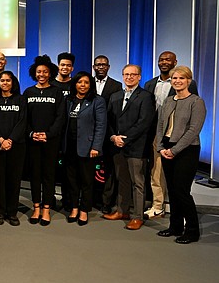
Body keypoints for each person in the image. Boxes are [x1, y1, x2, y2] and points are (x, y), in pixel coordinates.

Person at [144, 51, 199, 219]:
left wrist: (176, 147)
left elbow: (192, 122)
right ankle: (158, 206)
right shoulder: (150, 84)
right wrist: (159, 142)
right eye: (161, 59)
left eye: (168, 59)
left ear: (175, 62)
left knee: (180, 184)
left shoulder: (194, 95)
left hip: (183, 140)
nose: (164, 62)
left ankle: (184, 218)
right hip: (158, 136)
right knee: (156, 172)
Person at [156, 66, 206, 244]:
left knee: (182, 191)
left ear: (189, 81)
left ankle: (192, 230)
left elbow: (193, 130)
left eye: (181, 78)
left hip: (187, 150)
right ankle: (175, 227)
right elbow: (161, 126)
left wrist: (174, 150)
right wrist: (161, 147)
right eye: (174, 78)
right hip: (166, 147)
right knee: (172, 190)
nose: (177, 81)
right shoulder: (168, 101)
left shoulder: (196, 102)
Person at [103, 64, 154, 230]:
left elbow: (144, 122)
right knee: (122, 180)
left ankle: (137, 216)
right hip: (117, 146)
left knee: (137, 183)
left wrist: (125, 139)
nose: (129, 77)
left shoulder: (146, 96)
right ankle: (122, 211)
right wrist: (113, 137)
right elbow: (109, 120)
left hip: (136, 147)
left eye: (133, 74)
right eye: (126, 74)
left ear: (139, 77)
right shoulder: (115, 96)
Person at [23, 55, 65, 226]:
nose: (41, 74)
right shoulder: (28, 92)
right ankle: (36, 207)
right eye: (39, 71)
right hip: (32, 141)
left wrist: (48, 134)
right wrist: (32, 133)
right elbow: (23, 118)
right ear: (35, 73)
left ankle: (46, 209)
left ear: (50, 73)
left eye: (45, 72)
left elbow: (60, 117)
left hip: (50, 141)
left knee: (48, 175)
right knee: (35, 176)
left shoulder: (57, 92)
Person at [62, 71, 107, 226]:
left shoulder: (97, 101)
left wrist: (96, 146)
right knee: (72, 181)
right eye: (80, 82)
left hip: (88, 148)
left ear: (90, 85)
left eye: (86, 82)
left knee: (87, 181)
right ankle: (74, 207)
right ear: (75, 84)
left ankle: (84, 210)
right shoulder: (68, 100)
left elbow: (101, 125)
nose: (83, 85)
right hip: (69, 147)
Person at [0, 70, 27, 226]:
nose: (5, 83)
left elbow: (22, 122)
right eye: (2, 80)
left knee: (14, 180)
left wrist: (10, 140)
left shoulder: (20, 100)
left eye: (8, 80)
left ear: (13, 82)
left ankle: (12, 213)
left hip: (16, 146)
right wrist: (1, 140)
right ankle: (0, 212)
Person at [92, 55, 123, 214]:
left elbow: (116, 113)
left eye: (104, 64)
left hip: (109, 133)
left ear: (109, 67)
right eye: (98, 65)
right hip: (90, 134)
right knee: (89, 168)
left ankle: (106, 201)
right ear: (94, 67)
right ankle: (90, 198)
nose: (101, 67)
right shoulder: (86, 83)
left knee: (108, 170)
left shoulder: (116, 85)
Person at [50, 52, 76, 211]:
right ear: (58, 66)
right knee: (51, 170)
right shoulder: (51, 85)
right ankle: (50, 199)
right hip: (54, 134)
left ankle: (68, 201)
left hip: (71, 134)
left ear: (72, 68)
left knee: (70, 171)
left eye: (68, 65)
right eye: (62, 65)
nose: (65, 68)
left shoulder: (76, 85)